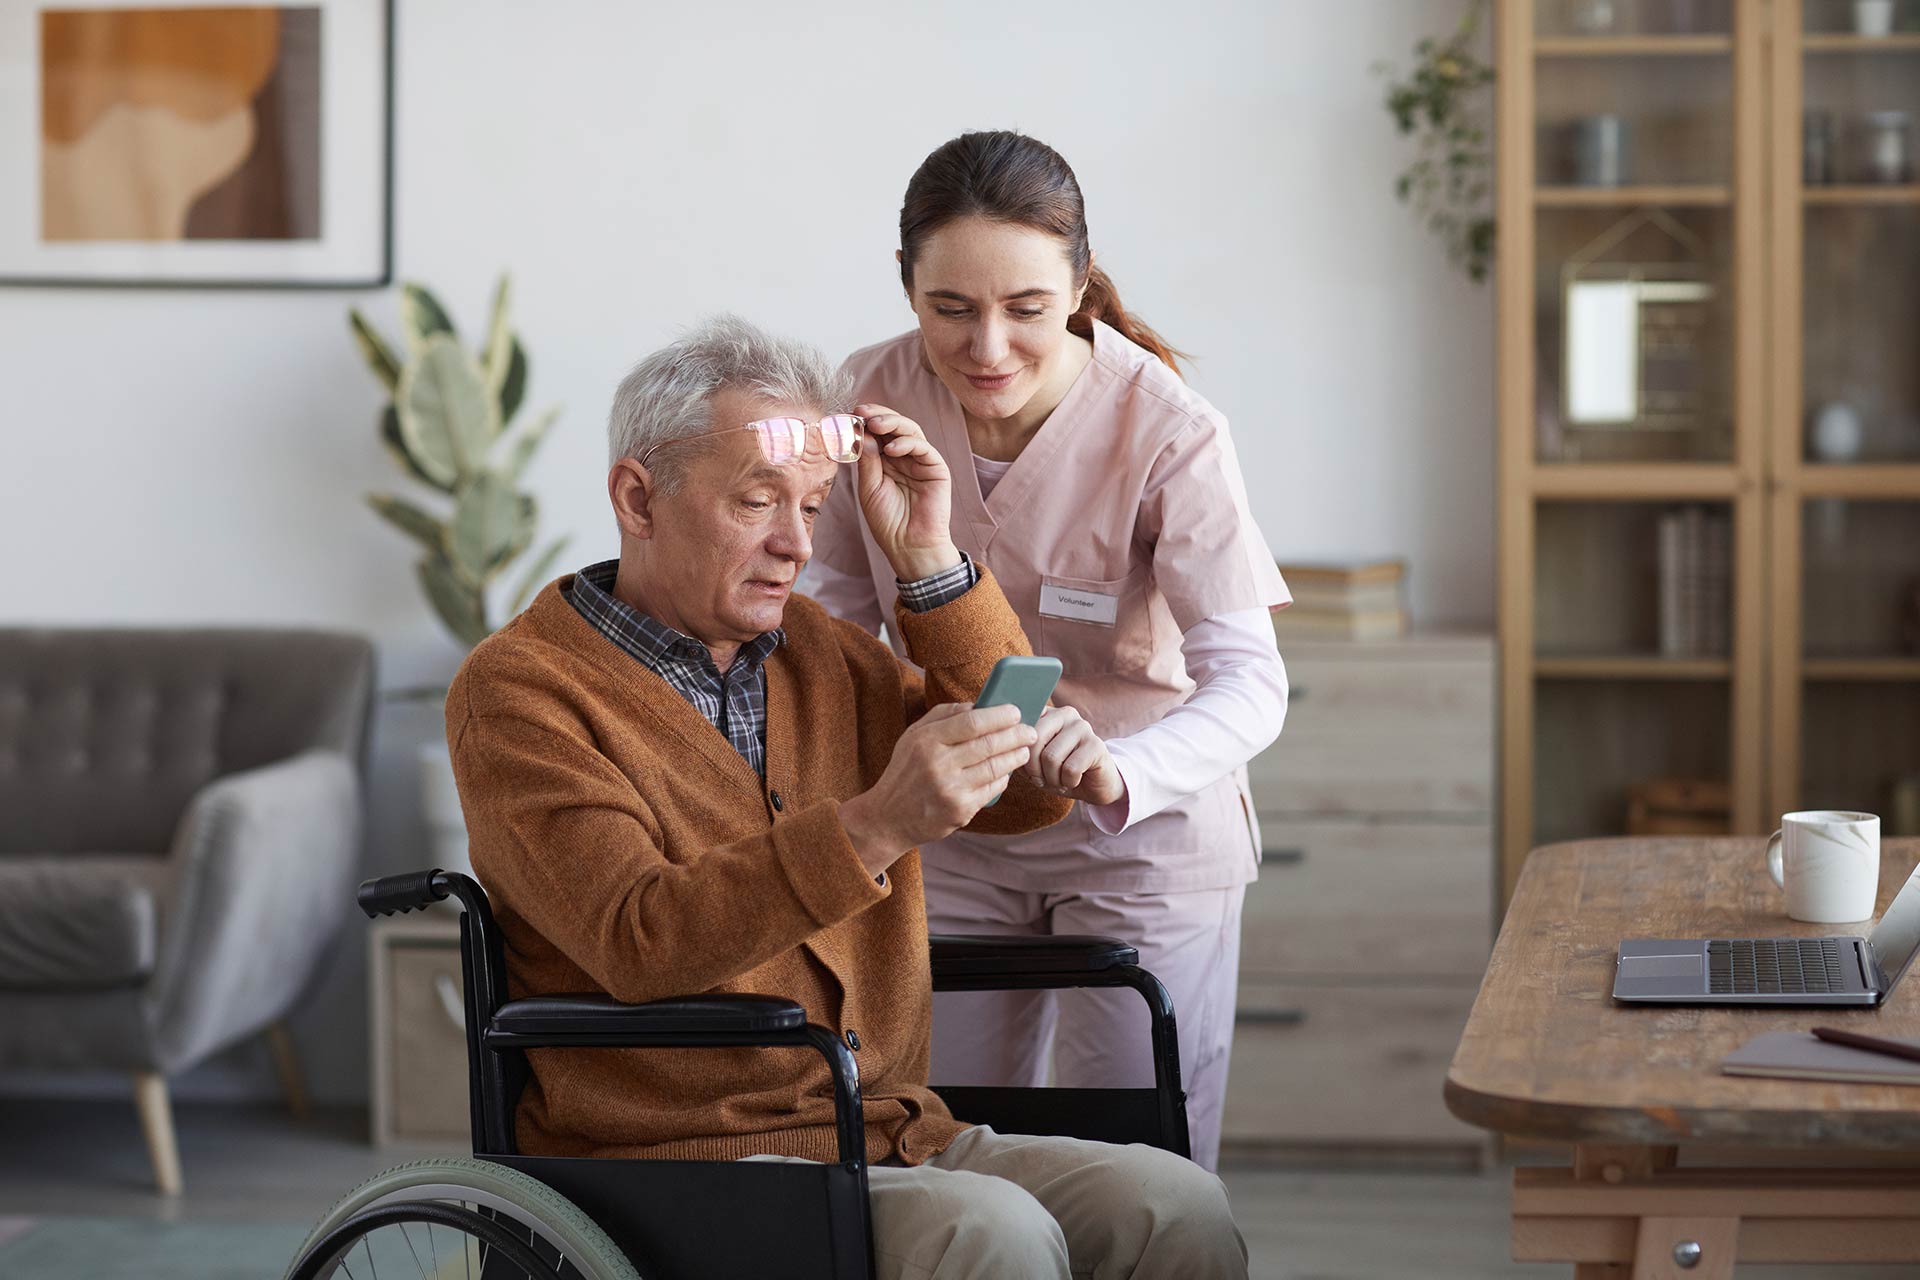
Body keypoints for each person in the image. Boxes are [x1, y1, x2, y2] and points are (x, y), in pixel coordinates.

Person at [446, 315, 1249, 1279]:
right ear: (637, 498)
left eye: (815, 505)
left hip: (886, 1131)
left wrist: (931, 564)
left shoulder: (820, 653)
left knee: (1175, 1205)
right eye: (756, 502)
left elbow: (1019, 804)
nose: (796, 543)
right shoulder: (521, 694)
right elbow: (639, 935)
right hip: (677, 1159)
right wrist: (875, 825)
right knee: (990, 1232)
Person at [800, 131, 1291, 1171]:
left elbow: (1251, 679)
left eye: (1025, 309)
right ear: (906, 286)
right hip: (959, 829)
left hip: (1140, 831)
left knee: (1144, 1159)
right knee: (949, 1145)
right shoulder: (870, 398)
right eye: (951, 309)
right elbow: (828, 626)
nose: (987, 347)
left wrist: (1129, 767)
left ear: (1077, 284)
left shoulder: (1169, 429)